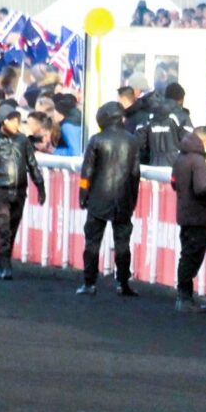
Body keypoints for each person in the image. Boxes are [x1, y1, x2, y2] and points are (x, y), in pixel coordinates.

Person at [75, 101, 142, 297]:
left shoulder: (96, 140)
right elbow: (135, 174)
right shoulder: (132, 141)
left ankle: (89, 283)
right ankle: (123, 283)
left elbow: (86, 173)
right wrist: (132, 200)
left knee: (92, 242)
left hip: (98, 198)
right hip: (123, 199)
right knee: (122, 242)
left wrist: (82, 196)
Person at [0, 110, 46, 279]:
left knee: (12, 228)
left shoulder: (23, 140)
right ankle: (4, 264)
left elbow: (32, 164)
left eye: (18, 121)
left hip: (20, 191)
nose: (17, 125)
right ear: (3, 121)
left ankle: (3, 260)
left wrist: (40, 186)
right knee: (3, 228)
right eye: (13, 121)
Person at [170, 128, 206, 312]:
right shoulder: (198, 161)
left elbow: (173, 183)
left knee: (187, 252)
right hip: (197, 214)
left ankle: (184, 296)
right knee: (193, 253)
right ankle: (185, 297)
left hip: (185, 213)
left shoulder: (180, 158)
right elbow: (202, 188)